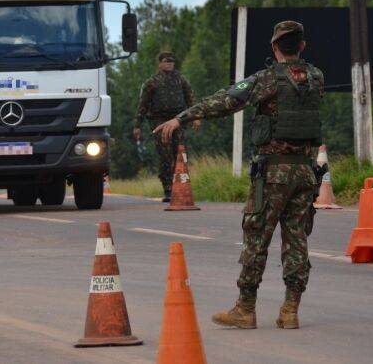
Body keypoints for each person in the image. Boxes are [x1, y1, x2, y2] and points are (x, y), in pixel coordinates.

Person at [154, 21, 324, 329]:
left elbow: (226, 101)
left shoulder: (267, 79)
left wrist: (182, 117)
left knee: (256, 236)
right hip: (306, 172)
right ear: (302, 45)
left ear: (275, 47)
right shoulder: (316, 78)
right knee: (296, 238)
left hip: (273, 172)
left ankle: (246, 309)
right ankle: (290, 310)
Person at [133, 52, 200, 202]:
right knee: (165, 155)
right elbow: (143, 105)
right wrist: (137, 125)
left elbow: (191, 98)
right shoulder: (152, 82)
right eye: (166, 61)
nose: (169, 63)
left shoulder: (181, 80)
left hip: (178, 120)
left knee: (180, 154)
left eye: (172, 61)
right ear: (159, 63)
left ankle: (181, 186)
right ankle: (168, 189)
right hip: (159, 122)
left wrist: (196, 117)